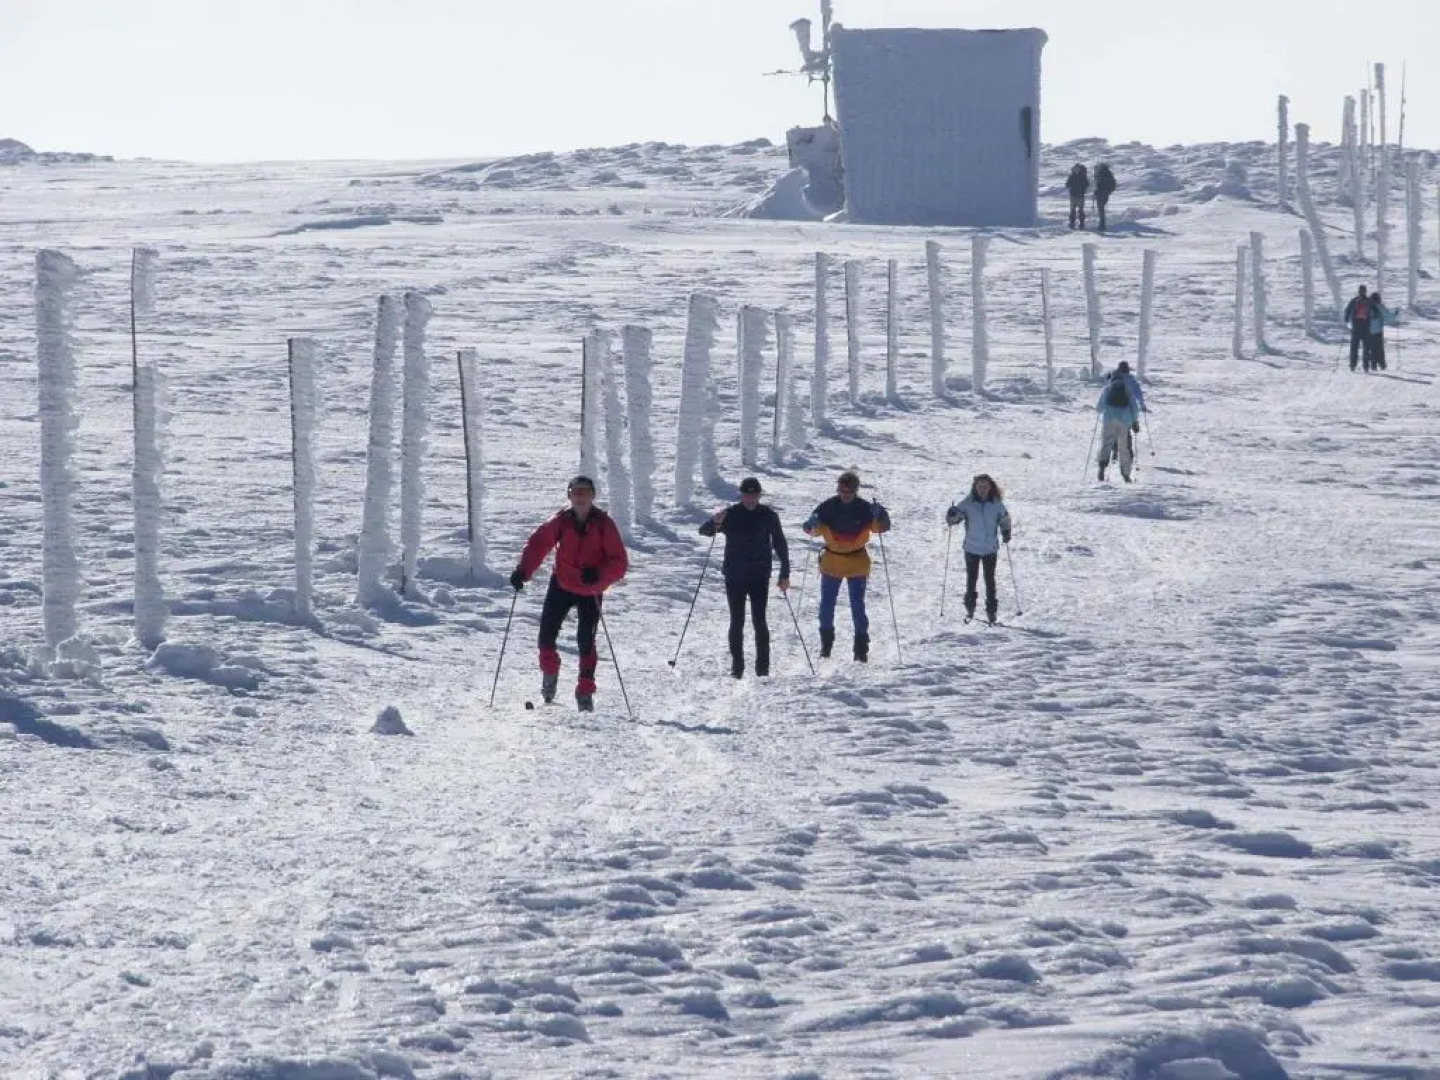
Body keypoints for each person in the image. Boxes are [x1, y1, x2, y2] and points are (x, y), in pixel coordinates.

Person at [510, 475, 628, 712]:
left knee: (586, 641)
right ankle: (550, 677)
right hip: (562, 583)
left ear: (593, 496)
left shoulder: (604, 524)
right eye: (576, 492)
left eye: (585, 491)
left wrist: (599, 574)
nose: (580, 496)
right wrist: (523, 571)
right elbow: (539, 543)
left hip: (591, 589)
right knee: (545, 637)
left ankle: (584, 693)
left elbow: (619, 562)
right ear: (569, 496)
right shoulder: (560, 521)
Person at [699, 476, 791, 679]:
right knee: (737, 621)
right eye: (747, 495)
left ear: (759, 495)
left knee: (760, 621)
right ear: (741, 495)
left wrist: (785, 573)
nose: (750, 499)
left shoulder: (768, 515)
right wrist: (714, 521)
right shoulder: (730, 514)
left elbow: (780, 544)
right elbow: (704, 531)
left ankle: (763, 669)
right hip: (735, 575)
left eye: (754, 495)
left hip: (760, 575)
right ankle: (737, 668)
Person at [802, 471, 890, 662]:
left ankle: (860, 649)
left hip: (857, 562)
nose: (844, 494)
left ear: (855, 491)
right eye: (841, 490)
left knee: (857, 606)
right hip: (832, 562)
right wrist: (810, 525)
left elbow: (881, 528)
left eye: (848, 491)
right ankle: (826, 646)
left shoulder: (865, 508)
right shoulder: (827, 507)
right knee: (826, 606)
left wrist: (881, 515)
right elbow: (813, 529)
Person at [945, 474, 1013, 625]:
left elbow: (1004, 519)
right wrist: (951, 515)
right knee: (971, 580)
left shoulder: (996, 504)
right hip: (972, 548)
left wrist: (1006, 532)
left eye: (985, 487)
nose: (982, 490)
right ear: (975, 488)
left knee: (990, 581)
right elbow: (955, 519)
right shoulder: (968, 503)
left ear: (990, 488)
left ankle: (991, 612)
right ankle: (970, 608)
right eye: (980, 487)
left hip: (990, 548)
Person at [1096, 361, 1146, 483]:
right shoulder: (1127, 389)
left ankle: (1102, 468)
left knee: (1106, 445)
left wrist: (1103, 412)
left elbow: (1099, 408)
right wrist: (1135, 422)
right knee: (1124, 448)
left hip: (1109, 420)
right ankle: (1126, 474)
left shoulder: (1107, 389)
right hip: (1124, 422)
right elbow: (1134, 408)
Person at [1365, 291, 1397, 372]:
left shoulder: (1366, 306)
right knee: (1379, 348)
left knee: (1371, 348)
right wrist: (1395, 314)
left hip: (1367, 330)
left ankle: (1373, 365)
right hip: (1378, 331)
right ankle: (1382, 364)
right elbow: (1387, 317)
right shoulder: (1379, 306)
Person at [1343, 285, 1371, 372]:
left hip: (1356, 326)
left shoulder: (1354, 300)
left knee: (1354, 346)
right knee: (1366, 347)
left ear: (1359, 291)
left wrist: (1346, 319)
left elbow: (1348, 310)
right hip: (1366, 327)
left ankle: (1352, 365)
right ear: (1365, 291)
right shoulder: (1369, 301)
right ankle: (1366, 366)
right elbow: (1376, 312)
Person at [1094, 163, 1117, 233]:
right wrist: (1109, 192)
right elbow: (1113, 184)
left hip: (1100, 194)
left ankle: (1102, 226)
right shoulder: (1109, 174)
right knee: (1102, 210)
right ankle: (1102, 225)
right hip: (1106, 194)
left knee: (1101, 210)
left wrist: (1097, 191)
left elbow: (1099, 185)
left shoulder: (1100, 174)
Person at [1066, 164, 1090, 230]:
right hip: (1073, 195)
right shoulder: (1072, 176)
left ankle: (1081, 224)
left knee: (1081, 210)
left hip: (1080, 196)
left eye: (1077, 169)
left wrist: (1083, 189)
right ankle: (1072, 224)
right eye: (1075, 169)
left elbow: (1087, 184)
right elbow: (1067, 184)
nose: (1076, 170)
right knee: (1072, 211)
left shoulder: (1083, 176)